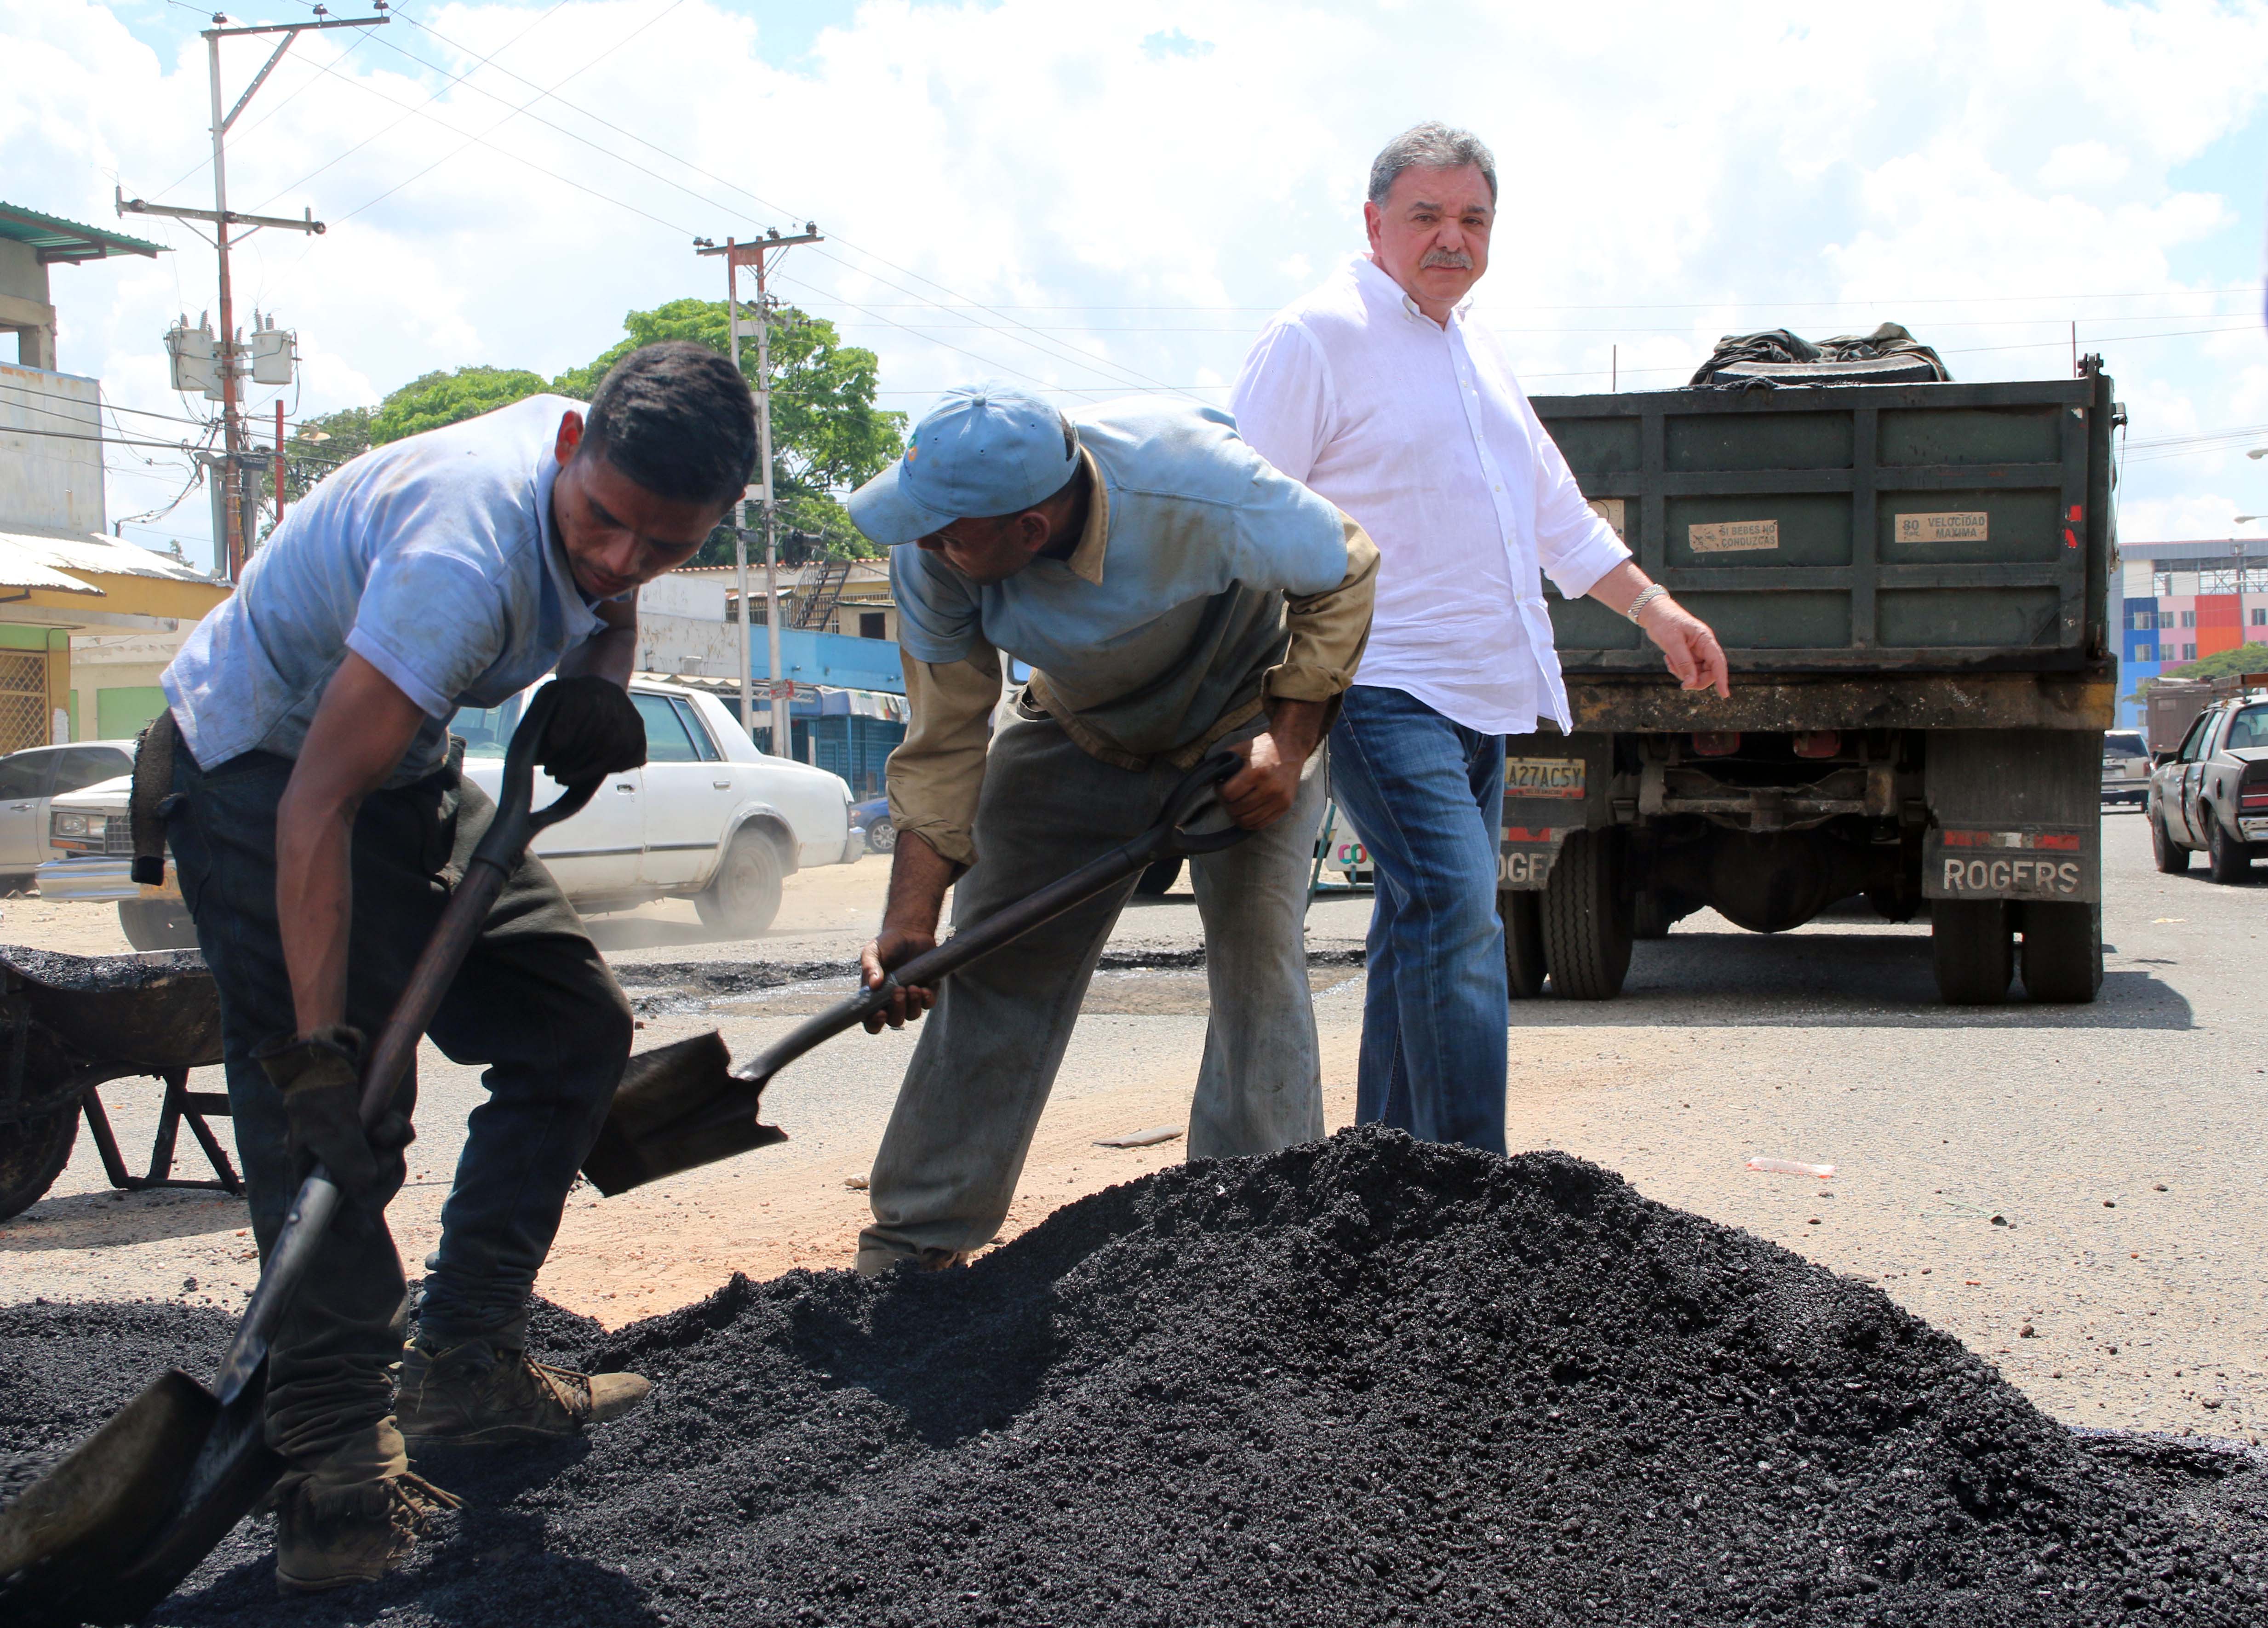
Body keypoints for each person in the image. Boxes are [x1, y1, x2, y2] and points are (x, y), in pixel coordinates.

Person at [157, 343, 756, 1592]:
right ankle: (333, 1469)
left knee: (573, 1026)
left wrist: (599, 678)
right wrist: (321, 1056)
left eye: (663, 544)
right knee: (328, 1116)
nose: (618, 560)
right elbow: (316, 805)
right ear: (563, 449)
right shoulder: (457, 557)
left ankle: (464, 1366)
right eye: (601, 522)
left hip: (410, 765)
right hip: (259, 772)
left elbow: (610, 594)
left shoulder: (615, 501)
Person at [1230, 122, 1729, 1152]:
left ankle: (1381, 1173)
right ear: (1374, 224)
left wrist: (1656, 608)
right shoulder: (1315, 337)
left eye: (1473, 219)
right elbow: (1240, 516)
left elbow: (1555, 512)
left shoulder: (1475, 352)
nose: (1452, 237)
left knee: (1417, 924)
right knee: (1460, 911)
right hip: (1374, 684)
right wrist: (1257, 712)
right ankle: (1471, 1188)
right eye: (1427, 216)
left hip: (1482, 692)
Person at [844, 384, 1377, 1273]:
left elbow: (1347, 566)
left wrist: (1287, 743)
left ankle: (1252, 1246)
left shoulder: (1194, 480)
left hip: (1239, 730)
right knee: (989, 963)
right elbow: (943, 742)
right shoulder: (930, 556)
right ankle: (913, 1249)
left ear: (1031, 526)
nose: (926, 541)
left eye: (948, 528)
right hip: (1077, 725)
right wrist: (909, 923)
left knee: (1257, 964)